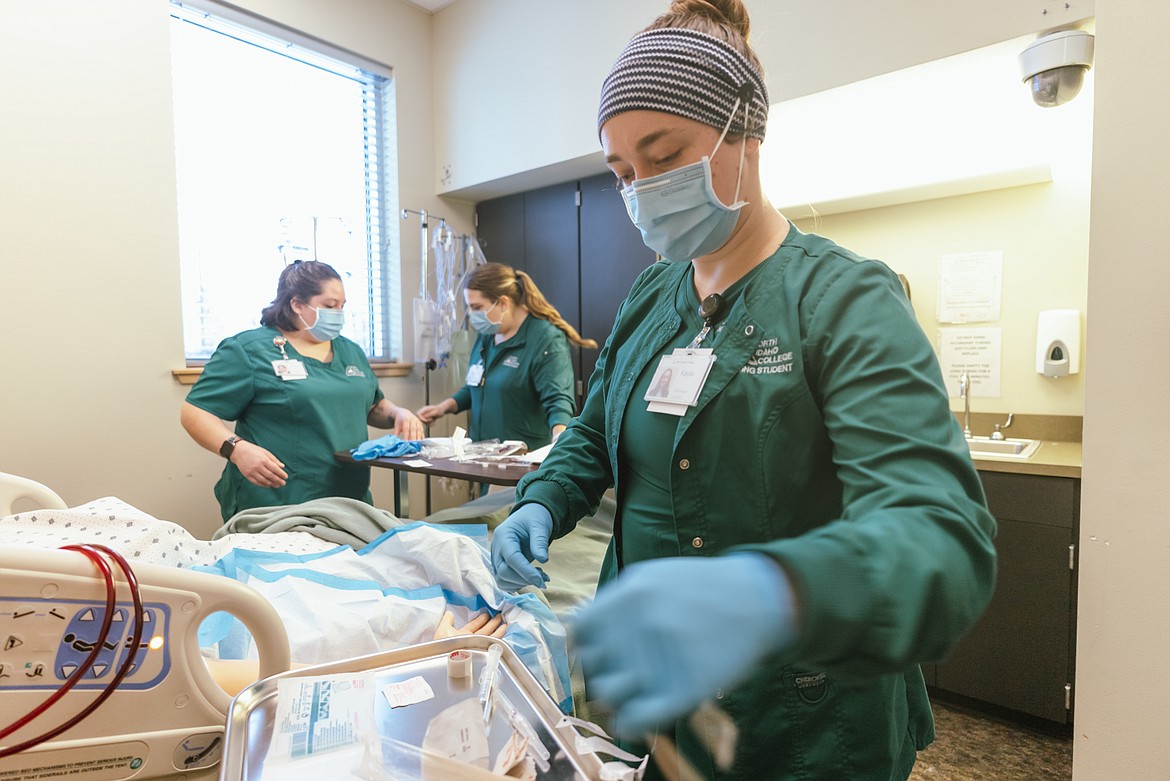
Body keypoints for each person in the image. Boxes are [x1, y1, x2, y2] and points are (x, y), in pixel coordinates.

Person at [488, 2, 997, 778]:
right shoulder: (651, 298)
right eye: (623, 173)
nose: (641, 191)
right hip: (661, 706)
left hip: (808, 722)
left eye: (664, 158)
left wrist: (775, 592)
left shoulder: (844, 301)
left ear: (744, 133)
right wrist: (540, 499)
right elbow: (593, 432)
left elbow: (942, 540)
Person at [181, 260, 423, 521]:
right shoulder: (249, 349)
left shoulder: (349, 351)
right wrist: (236, 449)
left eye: (342, 306)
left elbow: (372, 406)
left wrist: (398, 413)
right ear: (296, 304)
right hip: (276, 502)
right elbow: (195, 411)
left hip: (347, 500)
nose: (338, 313)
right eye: (330, 306)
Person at [416, 263, 597, 449]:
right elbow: (477, 384)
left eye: (477, 307)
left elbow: (558, 401)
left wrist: (559, 441)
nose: (471, 315)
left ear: (503, 302)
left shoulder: (545, 339)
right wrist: (443, 408)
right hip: (484, 456)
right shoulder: (487, 335)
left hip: (524, 460)